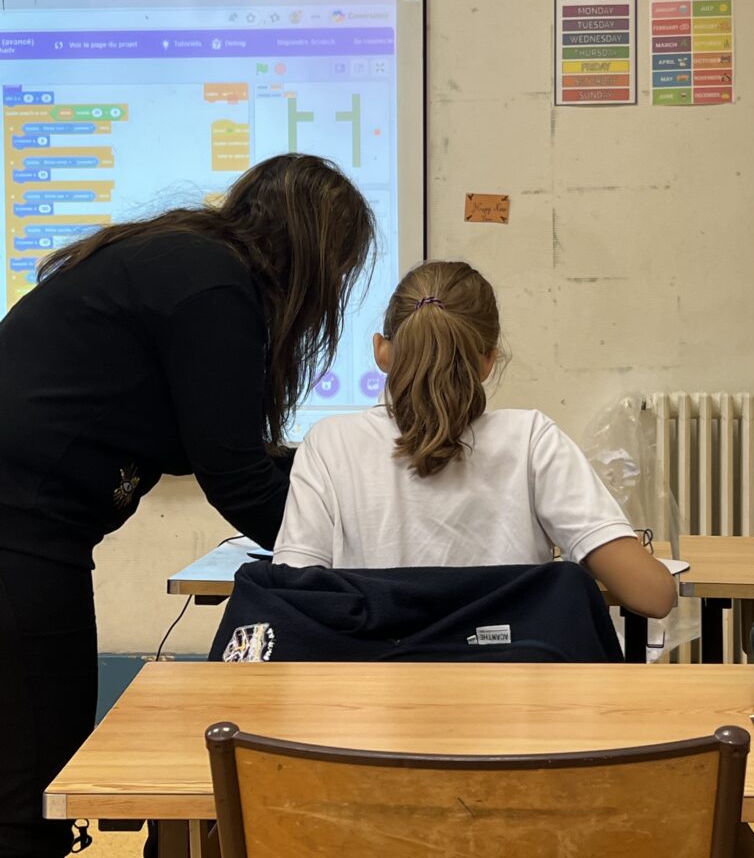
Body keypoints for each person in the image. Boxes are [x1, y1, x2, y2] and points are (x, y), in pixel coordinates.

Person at [0, 153, 375, 858]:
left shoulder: (183, 260)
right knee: (35, 785)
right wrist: (357, 570)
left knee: (38, 761)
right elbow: (236, 476)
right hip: (19, 536)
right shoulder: (214, 287)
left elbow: (216, 446)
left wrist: (332, 470)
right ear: (316, 254)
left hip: (32, 531)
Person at [273, 260, 676, 621]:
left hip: (372, 676)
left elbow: (291, 597)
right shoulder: (532, 439)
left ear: (381, 351)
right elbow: (654, 597)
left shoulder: (328, 443)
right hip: (509, 677)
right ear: (488, 360)